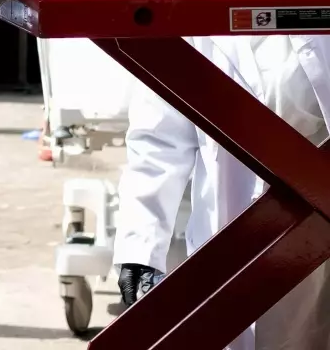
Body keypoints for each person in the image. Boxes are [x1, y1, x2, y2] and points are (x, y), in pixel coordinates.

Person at [115, 35, 330, 350]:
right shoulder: (189, 23)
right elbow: (159, 139)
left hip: (317, 239)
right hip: (226, 236)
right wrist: (140, 247)